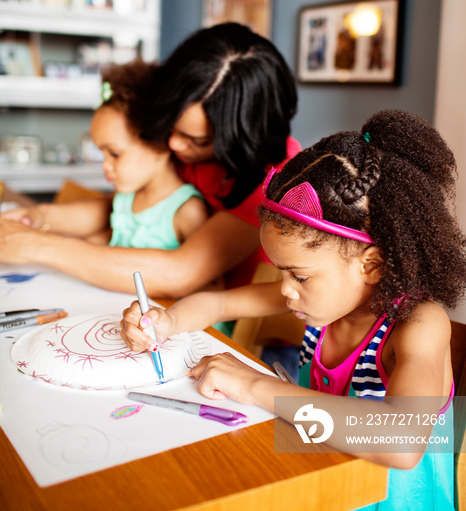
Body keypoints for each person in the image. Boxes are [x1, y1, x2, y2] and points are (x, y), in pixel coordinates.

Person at [120, 109, 466, 511]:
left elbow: (401, 442)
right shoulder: (323, 304)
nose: (284, 289)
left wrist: (254, 385)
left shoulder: (420, 325)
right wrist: (165, 321)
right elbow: (217, 302)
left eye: (299, 277)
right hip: (314, 488)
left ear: (371, 265)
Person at [0, 22, 299, 297]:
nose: (171, 143)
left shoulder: (280, 180)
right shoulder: (175, 144)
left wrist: (37, 245)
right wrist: (41, 217)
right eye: (171, 124)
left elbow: (181, 272)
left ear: (241, 139)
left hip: (232, 333)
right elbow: (120, 209)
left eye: (198, 140)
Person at [3, 58, 208, 250]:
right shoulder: (125, 198)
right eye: (103, 153)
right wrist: (37, 217)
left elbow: (209, 282)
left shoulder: (188, 211)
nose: (105, 165)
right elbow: (108, 237)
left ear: (160, 143)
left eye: (115, 154)